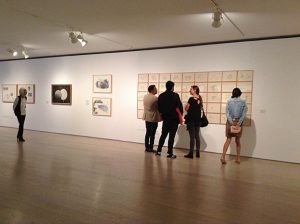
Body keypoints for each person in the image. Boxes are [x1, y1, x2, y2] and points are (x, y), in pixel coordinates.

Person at [155, 81, 183, 159]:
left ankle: (158, 151)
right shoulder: (175, 95)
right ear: (172, 87)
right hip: (174, 119)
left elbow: (159, 107)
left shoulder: (161, 96)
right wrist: (180, 114)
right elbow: (180, 107)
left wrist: (163, 113)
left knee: (163, 135)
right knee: (171, 136)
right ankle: (170, 153)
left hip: (166, 118)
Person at [220, 88, 248, 164]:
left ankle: (222, 156)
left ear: (233, 93)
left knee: (228, 139)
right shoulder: (243, 101)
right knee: (238, 140)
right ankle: (238, 158)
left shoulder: (229, 101)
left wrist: (231, 122)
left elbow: (227, 112)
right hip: (239, 122)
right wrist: (239, 122)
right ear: (240, 93)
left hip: (230, 122)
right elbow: (244, 113)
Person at [184, 85, 203, 159]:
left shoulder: (191, 99)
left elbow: (186, 108)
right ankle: (198, 152)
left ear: (195, 90)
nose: (190, 90)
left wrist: (186, 106)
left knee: (192, 137)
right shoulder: (200, 98)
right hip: (198, 120)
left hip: (191, 120)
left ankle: (191, 153)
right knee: (197, 136)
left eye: (191, 89)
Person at [143, 85, 161, 152]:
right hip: (153, 118)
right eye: (155, 89)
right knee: (152, 134)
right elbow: (158, 107)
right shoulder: (155, 98)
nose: (156, 90)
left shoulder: (145, 96)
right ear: (152, 90)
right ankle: (150, 148)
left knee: (147, 132)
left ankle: (147, 147)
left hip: (147, 117)